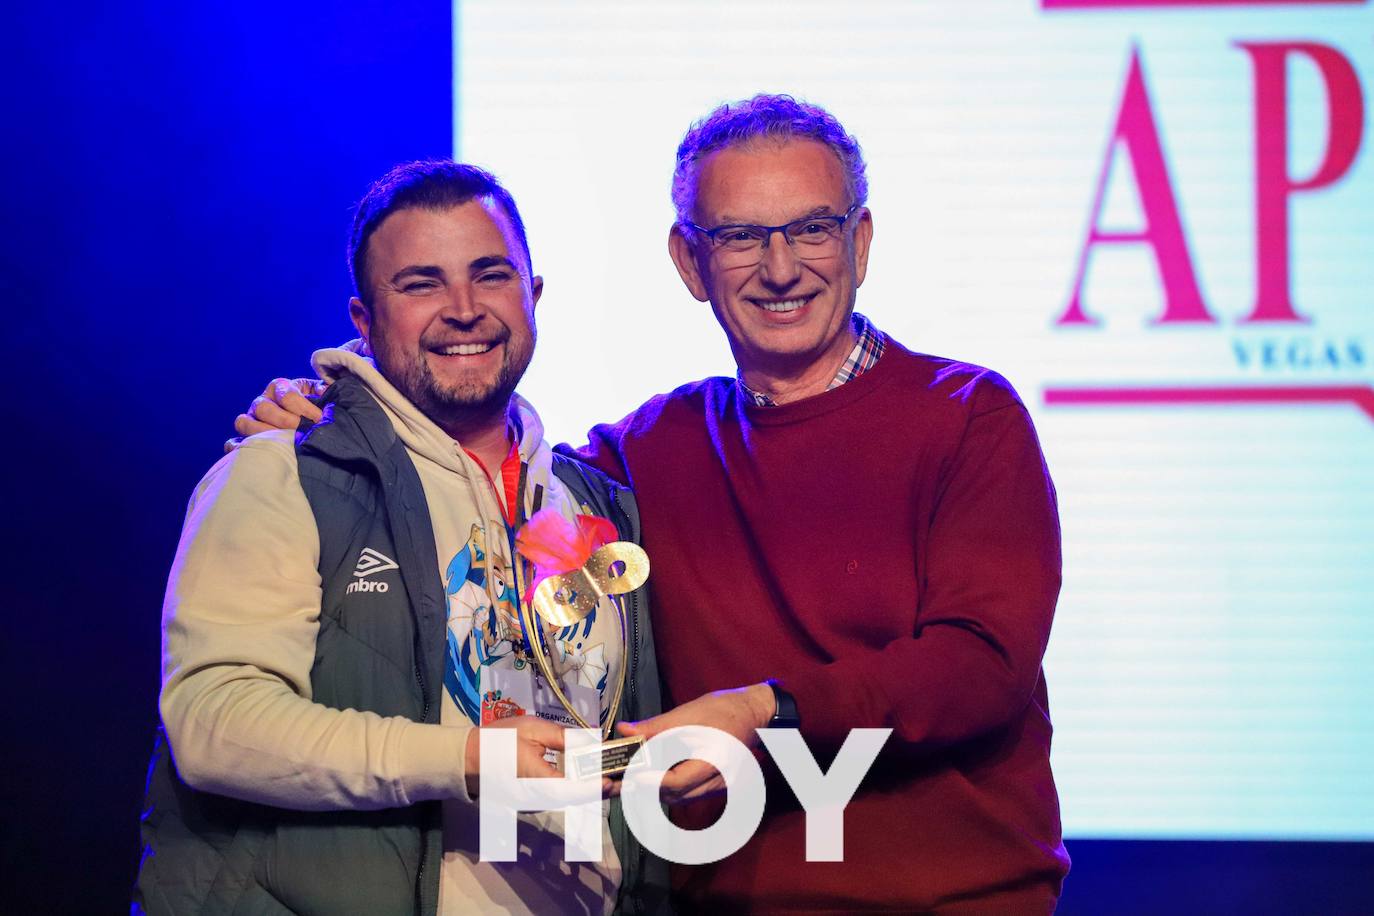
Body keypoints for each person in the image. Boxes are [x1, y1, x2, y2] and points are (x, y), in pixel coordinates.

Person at [242, 94, 1070, 912]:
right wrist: (341, 396)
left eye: (811, 228)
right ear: (689, 262)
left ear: (859, 240)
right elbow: (478, 459)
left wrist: (762, 711)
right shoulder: (650, 450)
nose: (780, 267)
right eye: (740, 236)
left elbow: (981, 665)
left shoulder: (966, 416)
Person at [136, 161, 671, 915]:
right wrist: (464, 759)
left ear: (533, 295)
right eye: (420, 284)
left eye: (491, 276)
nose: (463, 309)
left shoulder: (595, 504)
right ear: (363, 319)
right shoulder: (283, 473)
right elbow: (214, 724)